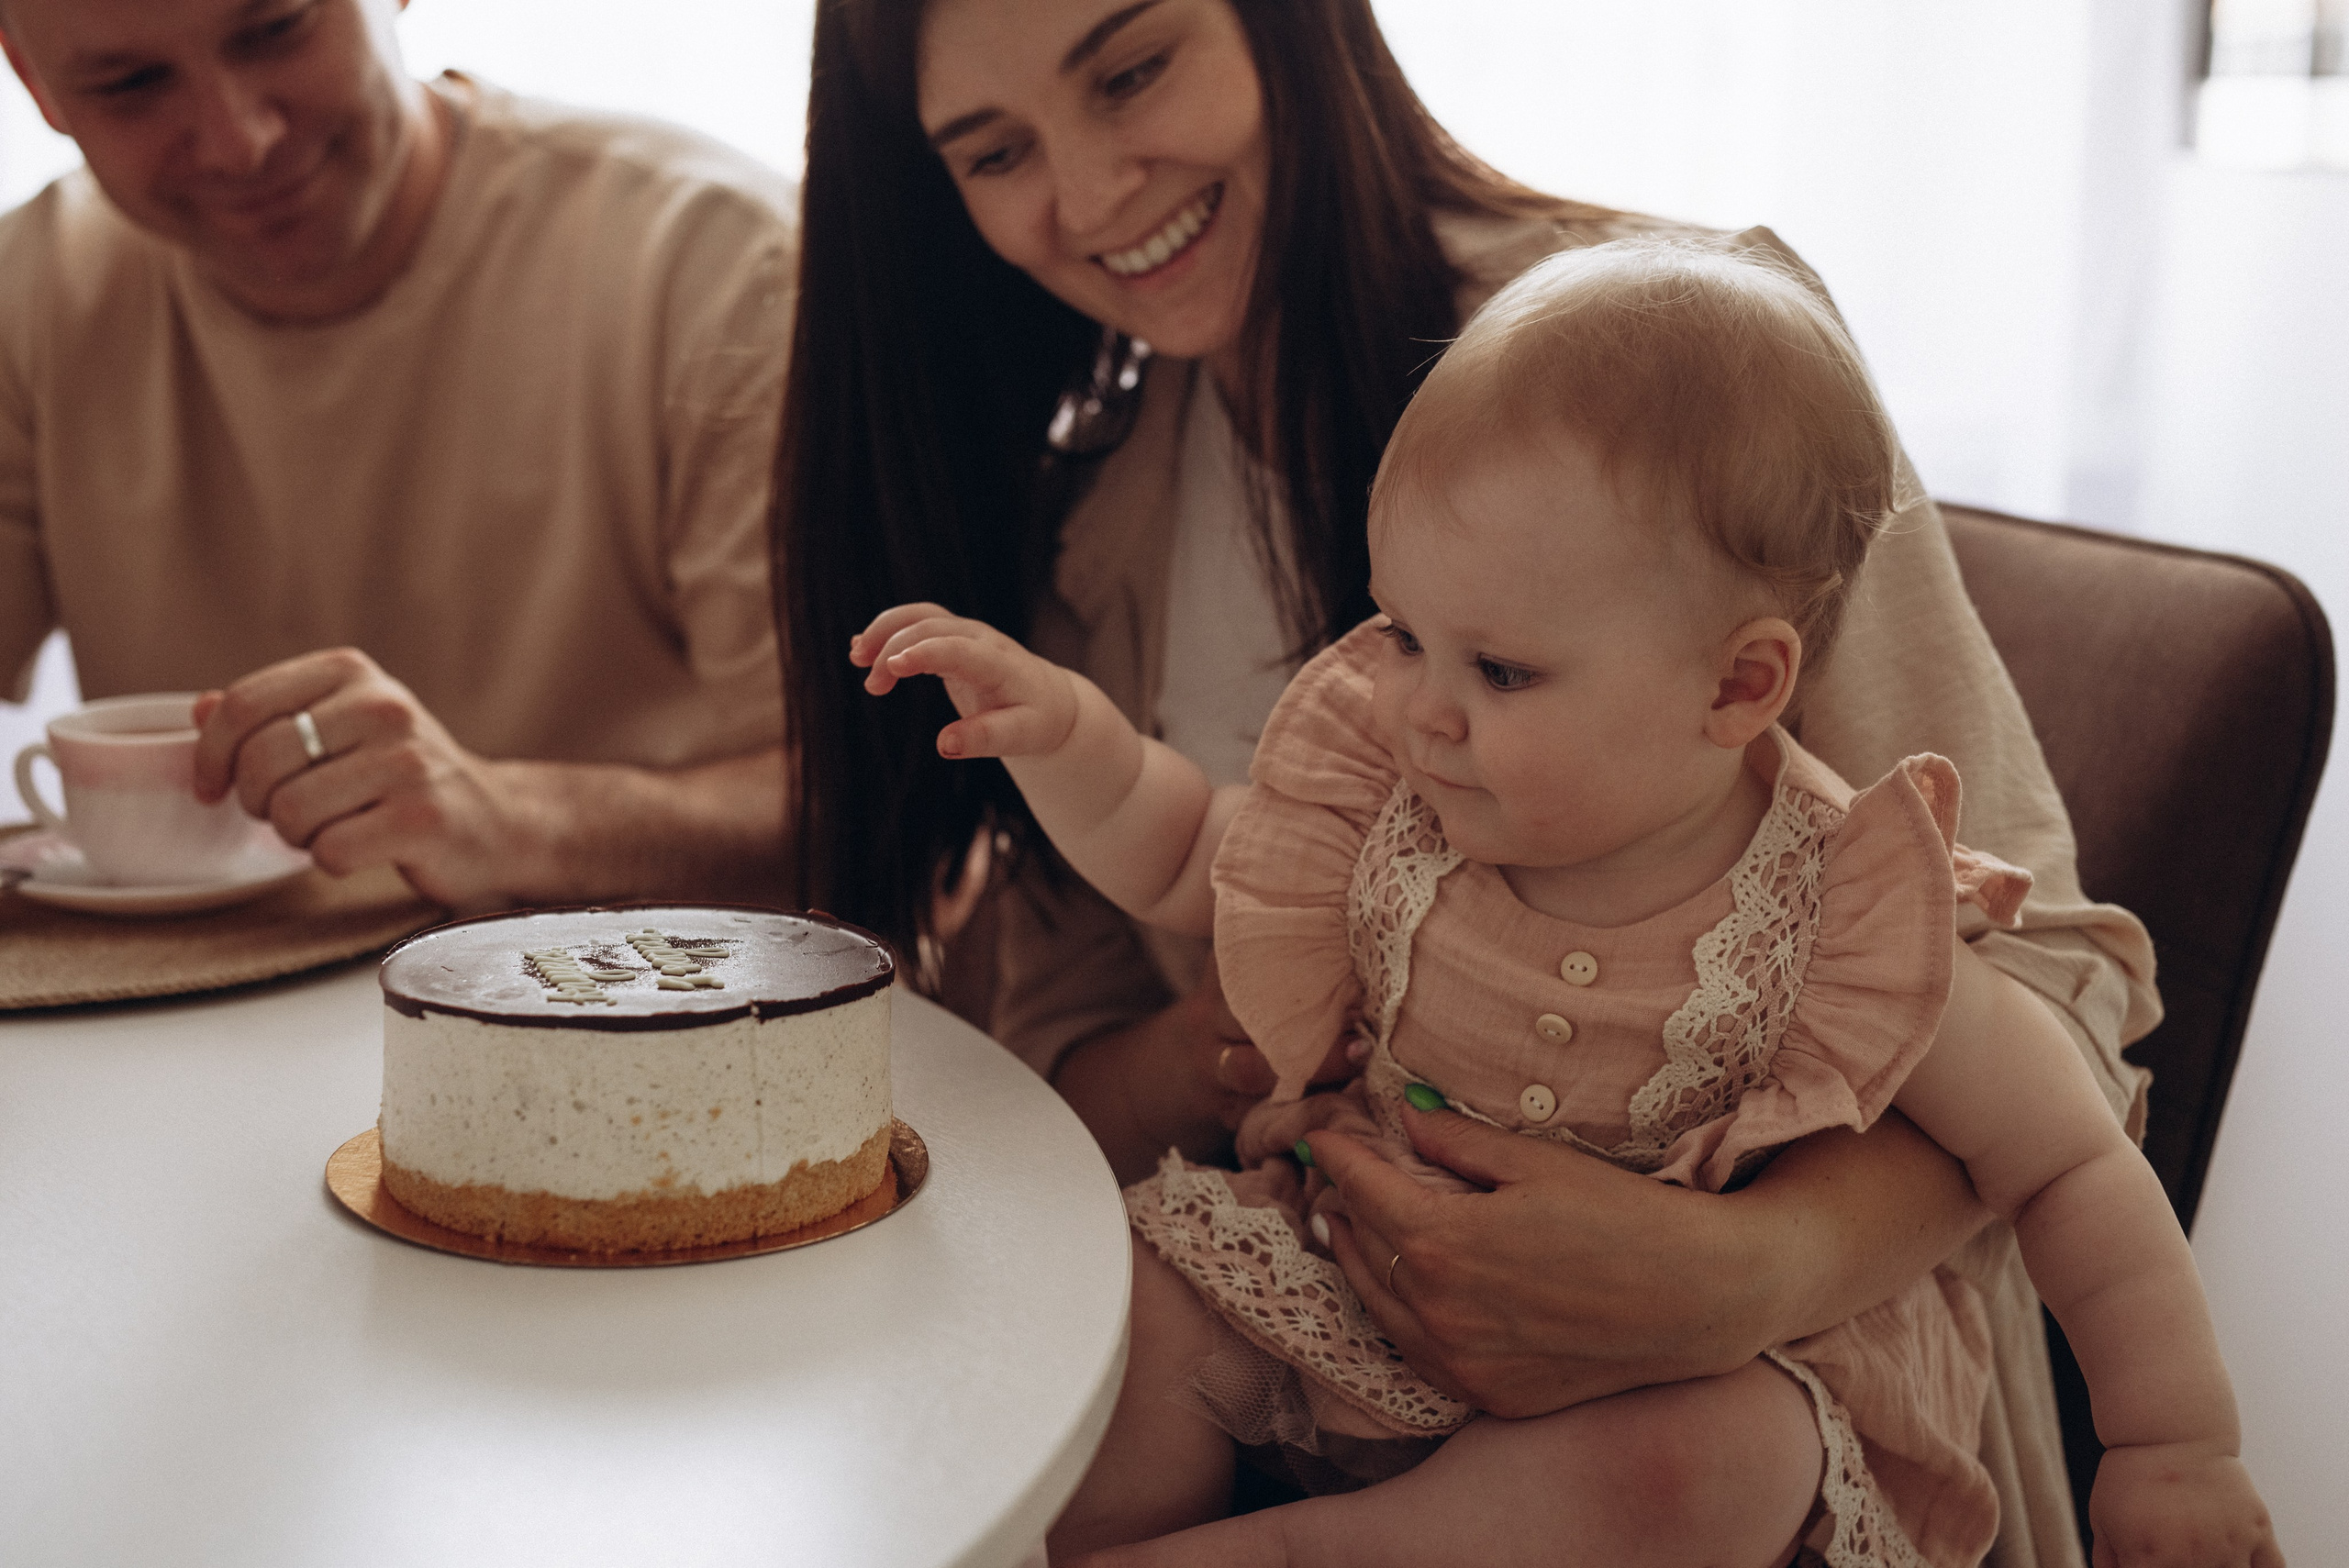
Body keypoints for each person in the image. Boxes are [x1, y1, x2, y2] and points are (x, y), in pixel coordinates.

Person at [775, 2, 2161, 1561]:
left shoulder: (1681, 367)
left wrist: (1744, 1267)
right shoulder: (1088, 520)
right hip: (1318, 1385)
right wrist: (1236, 1032)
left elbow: (2054, 989)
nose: (1091, 197)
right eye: (998, 151)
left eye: (1134, 68)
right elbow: (1057, 1071)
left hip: (1735, 1431)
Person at [0, 0, 792, 909]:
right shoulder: (34, 293)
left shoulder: (715, 264)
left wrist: (512, 818)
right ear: (33, 82)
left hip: (677, 1018)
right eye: (130, 85)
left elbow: (907, 820)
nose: (238, 141)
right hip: (198, 1034)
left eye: (277, 30)